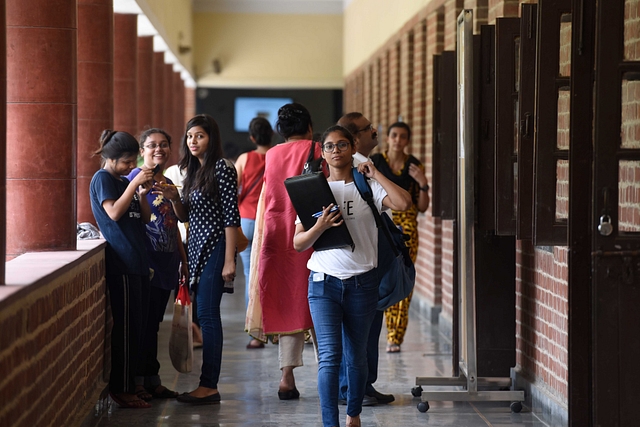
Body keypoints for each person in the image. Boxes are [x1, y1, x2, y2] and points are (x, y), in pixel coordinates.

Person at [293, 125, 411, 427]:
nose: (336, 151)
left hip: (363, 282)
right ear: (322, 151)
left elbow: (404, 203)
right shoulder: (311, 189)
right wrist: (320, 226)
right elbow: (298, 243)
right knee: (330, 359)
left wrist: (375, 174)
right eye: (329, 146)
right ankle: (330, 423)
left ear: (352, 147)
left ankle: (353, 414)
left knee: (357, 357)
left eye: (342, 145)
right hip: (323, 283)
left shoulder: (365, 186)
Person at [157, 114, 240, 405]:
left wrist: (229, 260)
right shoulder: (194, 171)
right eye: (190, 136)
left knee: (207, 315)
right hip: (196, 249)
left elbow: (231, 217)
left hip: (216, 248)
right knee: (204, 316)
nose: (193, 141)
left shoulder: (222, 168)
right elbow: (185, 216)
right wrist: (173, 197)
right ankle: (208, 384)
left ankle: (209, 385)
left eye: (200, 136)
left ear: (211, 139)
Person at [246, 103, 321, 400]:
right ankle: (331, 373)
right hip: (314, 233)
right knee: (321, 301)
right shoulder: (318, 149)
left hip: (278, 234)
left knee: (289, 300)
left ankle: (286, 377)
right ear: (310, 126)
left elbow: (268, 198)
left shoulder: (273, 154)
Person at [89, 130, 154, 409]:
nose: (131, 167)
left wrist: (141, 193)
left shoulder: (120, 180)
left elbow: (145, 217)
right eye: (126, 162)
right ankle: (122, 388)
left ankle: (132, 384)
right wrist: (133, 183)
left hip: (138, 260)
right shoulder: (102, 178)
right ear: (110, 158)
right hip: (122, 262)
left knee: (137, 326)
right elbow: (113, 213)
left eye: (133, 162)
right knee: (125, 329)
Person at [335, 112, 395, 406]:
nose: (375, 130)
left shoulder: (365, 166)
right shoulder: (355, 168)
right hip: (361, 259)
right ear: (355, 137)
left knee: (368, 325)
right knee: (363, 326)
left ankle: (359, 385)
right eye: (368, 128)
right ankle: (353, 388)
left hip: (370, 253)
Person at [126, 128, 187, 401]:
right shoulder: (132, 180)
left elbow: (175, 226)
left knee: (154, 324)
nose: (158, 149)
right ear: (141, 151)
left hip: (167, 263)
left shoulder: (167, 182)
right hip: (145, 263)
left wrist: (183, 262)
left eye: (163, 145)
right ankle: (138, 381)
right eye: (152, 145)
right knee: (143, 324)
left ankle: (153, 380)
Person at [370, 121, 430, 353]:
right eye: (394, 135)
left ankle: (395, 336)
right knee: (378, 278)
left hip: (407, 228)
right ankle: (375, 331)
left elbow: (422, 207)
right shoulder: (376, 162)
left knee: (402, 277)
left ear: (407, 140)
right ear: (388, 138)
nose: (397, 140)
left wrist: (423, 184)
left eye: (402, 136)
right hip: (381, 224)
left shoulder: (414, 165)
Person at [234, 117, 273, 349]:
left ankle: (255, 333)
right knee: (274, 273)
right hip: (272, 219)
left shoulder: (244, 158)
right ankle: (278, 329)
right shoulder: (278, 155)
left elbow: (234, 188)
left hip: (247, 219)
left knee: (251, 275)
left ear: (251, 137)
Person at [164, 163, 203, 348]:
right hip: (185, 237)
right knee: (187, 286)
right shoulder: (172, 173)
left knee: (186, 286)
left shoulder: (172, 172)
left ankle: (191, 328)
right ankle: (191, 328)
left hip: (192, 237)